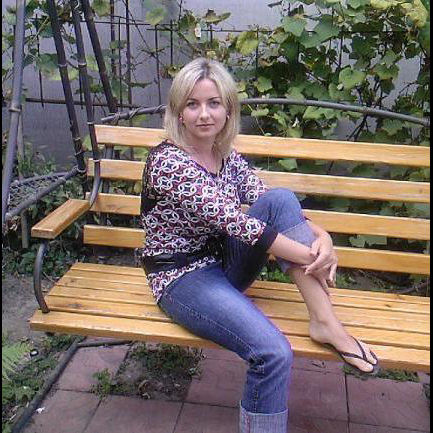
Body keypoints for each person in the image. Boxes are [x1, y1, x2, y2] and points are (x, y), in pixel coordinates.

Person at [138, 57, 378, 433]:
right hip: (182, 278)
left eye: (214, 103)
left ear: (228, 109)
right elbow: (239, 225)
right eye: (193, 104)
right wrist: (313, 256)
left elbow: (268, 202)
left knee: (280, 198)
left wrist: (324, 238)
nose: (205, 114)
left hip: (225, 265)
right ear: (178, 112)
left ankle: (325, 323)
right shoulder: (168, 163)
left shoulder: (224, 154)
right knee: (272, 353)